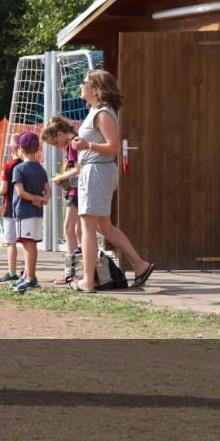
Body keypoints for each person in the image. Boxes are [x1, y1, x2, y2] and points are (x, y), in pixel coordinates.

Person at [71, 69, 155, 292]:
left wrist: (87, 146)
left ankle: (88, 281)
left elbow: (115, 147)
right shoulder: (96, 111)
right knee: (103, 226)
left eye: (84, 82)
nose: (81, 86)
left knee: (88, 227)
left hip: (97, 172)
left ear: (96, 89)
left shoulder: (103, 113)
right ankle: (140, 265)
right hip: (96, 171)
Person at [41, 115, 83, 285]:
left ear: (60, 133)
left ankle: (71, 272)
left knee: (68, 229)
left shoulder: (72, 144)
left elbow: (78, 169)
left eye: (55, 143)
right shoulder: (71, 143)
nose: (56, 146)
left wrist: (60, 178)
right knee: (79, 230)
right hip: (77, 189)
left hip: (77, 191)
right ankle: (82, 270)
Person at [9, 131, 49, 292]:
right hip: (37, 213)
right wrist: (43, 199)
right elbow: (48, 190)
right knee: (31, 244)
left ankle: (31, 278)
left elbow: (20, 192)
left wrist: (34, 198)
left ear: (20, 148)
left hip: (24, 212)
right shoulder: (40, 168)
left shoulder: (19, 168)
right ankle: (26, 275)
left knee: (28, 245)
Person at [0, 134, 23, 283]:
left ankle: (12, 272)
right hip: (26, 209)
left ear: (12, 148)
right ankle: (28, 272)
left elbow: (3, 189)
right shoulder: (28, 165)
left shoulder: (7, 166)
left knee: (11, 242)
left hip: (11, 209)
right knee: (28, 242)